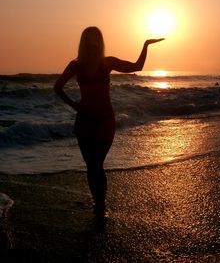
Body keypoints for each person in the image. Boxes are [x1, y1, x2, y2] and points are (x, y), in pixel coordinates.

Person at [54, 26, 164, 215]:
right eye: (89, 38)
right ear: (84, 42)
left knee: (97, 164)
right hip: (84, 121)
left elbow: (137, 67)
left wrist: (145, 45)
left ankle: (100, 205)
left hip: (105, 120)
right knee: (91, 165)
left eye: (96, 38)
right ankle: (98, 203)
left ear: (100, 41)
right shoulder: (75, 65)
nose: (93, 42)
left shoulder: (108, 62)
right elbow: (58, 87)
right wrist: (75, 105)